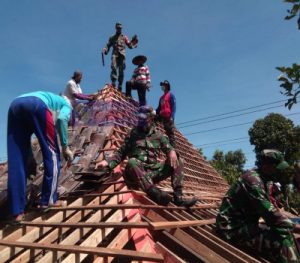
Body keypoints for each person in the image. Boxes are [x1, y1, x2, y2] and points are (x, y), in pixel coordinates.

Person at [95, 106, 197, 207]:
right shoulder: (133, 134)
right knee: (132, 162)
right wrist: (107, 162)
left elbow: (169, 148)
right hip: (136, 174)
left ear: (151, 118)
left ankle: (178, 198)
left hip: (151, 174)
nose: (142, 121)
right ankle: (155, 194)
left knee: (178, 160)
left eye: (144, 119)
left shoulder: (158, 135)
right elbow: (121, 153)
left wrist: (172, 151)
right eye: (140, 118)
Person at [216, 149, 300, 262]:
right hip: (231, 228)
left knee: (284, 231)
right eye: (276, 167)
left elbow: (273, 208)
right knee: (282, 239)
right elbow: (272, 216)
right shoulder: (253, 180)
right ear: (266, 166)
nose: (278, 171)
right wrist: (297, 227)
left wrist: (291, 220)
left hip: (246, 225)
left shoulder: (264, 180)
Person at [7, 91, 74, 222]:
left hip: (14, 105)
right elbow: (61, 120)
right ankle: (48, 201)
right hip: (37, 105)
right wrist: (65, 146)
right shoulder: (67, 106)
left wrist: (29, 156)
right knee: (53, 153)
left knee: (17, 159)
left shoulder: (53, 99)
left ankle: (17, 212)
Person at [102, 22, 138, 91]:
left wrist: (133, 43)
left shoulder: (124, 37)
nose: (119, 29)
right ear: (116, 28)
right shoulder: (112, 37)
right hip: (115, 54)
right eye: (118, 28)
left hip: (122, 55)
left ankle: (120, 85)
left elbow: (129, 45)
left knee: (121, 71)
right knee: (113, 67)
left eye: (120, 28)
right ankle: (113, 82)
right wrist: (105, 50)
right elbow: (108, 45)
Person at [156, 80, 176, 147]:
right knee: (153, 120)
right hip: (162, 116)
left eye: (163, 85)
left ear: (167, 86)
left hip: (168, 117)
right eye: (162, 86)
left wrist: (172, 117)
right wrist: (154, 113)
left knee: (170, 133)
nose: (162, 87)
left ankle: (173, 148)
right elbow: (159, 108)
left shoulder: (171, 95)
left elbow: (173, 107)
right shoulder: (161, 98)